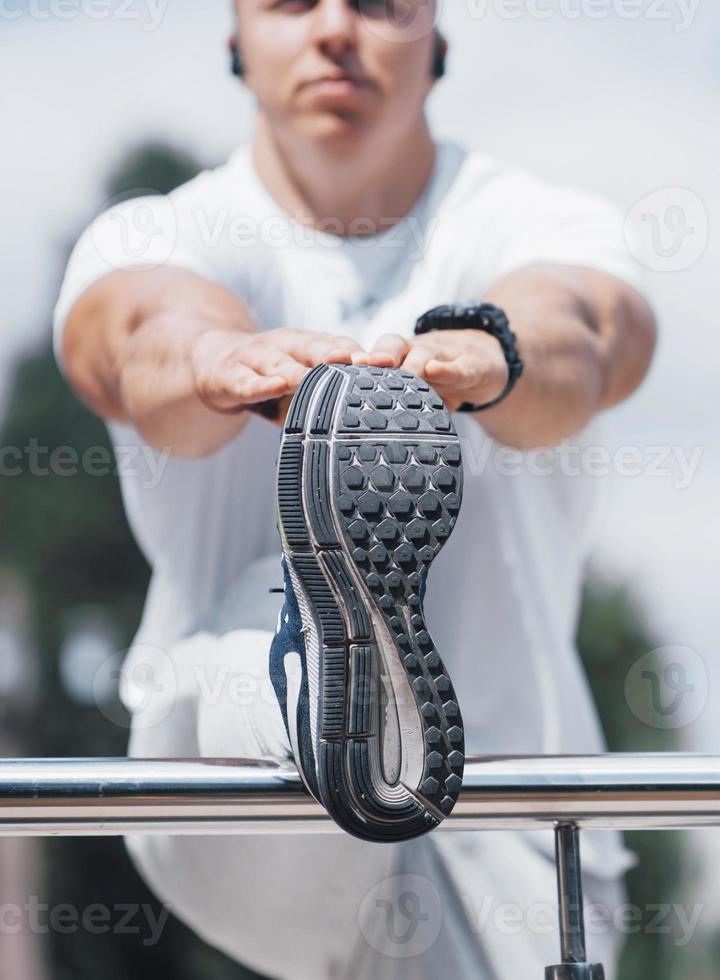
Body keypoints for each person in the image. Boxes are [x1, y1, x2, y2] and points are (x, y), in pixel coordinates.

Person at [51, 1, 657, 976]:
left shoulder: (536, 221)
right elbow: (130, 338)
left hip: (501, 808)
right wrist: (216, 359)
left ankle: (357, 687)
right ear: (235, 43)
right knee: (269, 616)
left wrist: (491, 351)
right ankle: (333, 677)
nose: (337, 27)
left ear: (441, 45)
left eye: (381, 2)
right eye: (293, 0)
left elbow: (588, 334)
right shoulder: (165, 233)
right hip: (237, 785)